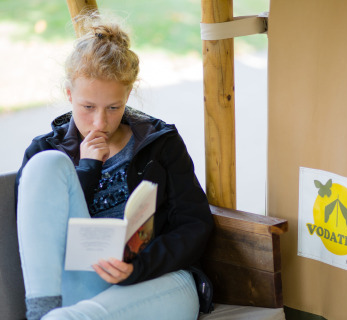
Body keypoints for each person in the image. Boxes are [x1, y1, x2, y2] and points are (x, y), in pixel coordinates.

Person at [15, 13, 213, 320]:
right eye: (88, 107)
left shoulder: (161, 143)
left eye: (113, 108)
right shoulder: (45, 150)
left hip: (158, 280)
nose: (100, 122)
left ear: (128, 95)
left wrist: (137, 268)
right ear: (69, 94)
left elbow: (195, 224)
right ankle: (40, 311)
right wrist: (87, 169)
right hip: (82, 281)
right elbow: (38, 235)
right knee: (45, 164)